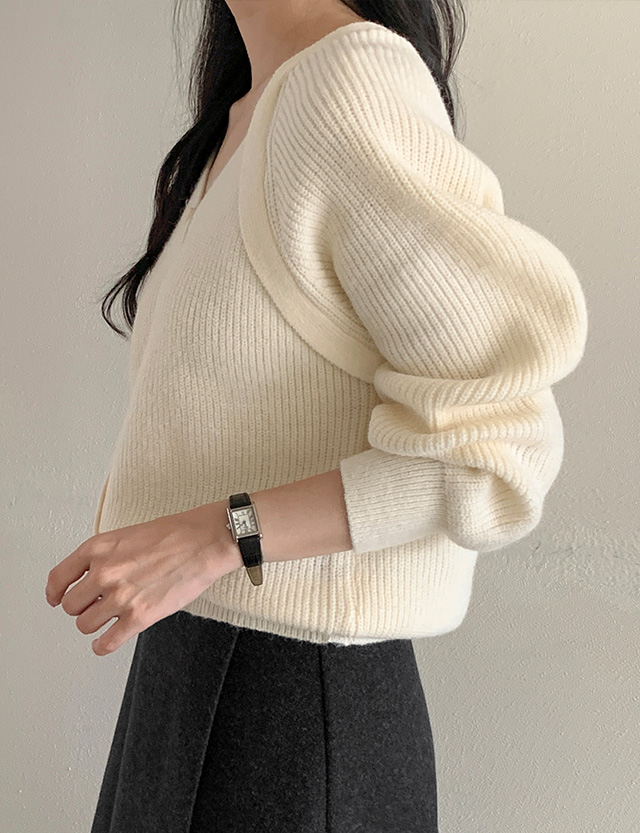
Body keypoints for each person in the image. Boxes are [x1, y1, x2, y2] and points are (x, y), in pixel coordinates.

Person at [44, 1, 589, 831]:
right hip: (189, 675)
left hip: (288, 706)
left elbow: (496, 447)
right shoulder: (247, 115)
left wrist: (224, 532)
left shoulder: (348, 83)